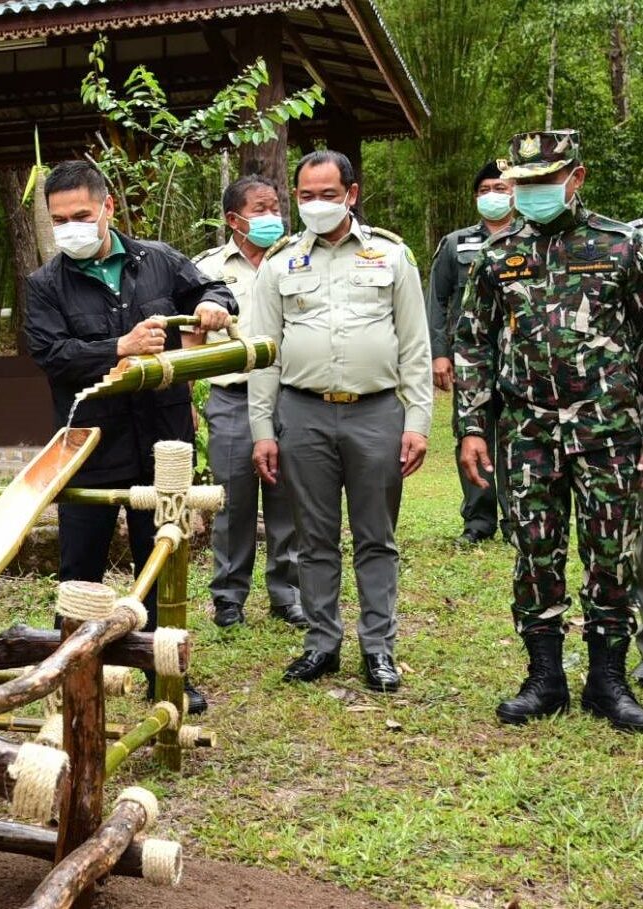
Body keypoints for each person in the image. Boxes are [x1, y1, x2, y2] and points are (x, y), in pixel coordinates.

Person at [24, 160, 237, 712]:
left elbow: (211, 287)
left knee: (161, 558)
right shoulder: (45, 285)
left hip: (162, 442)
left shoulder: (159, 261)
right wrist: (120, 347)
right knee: (80, 567)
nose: (70, 226)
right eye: (59, 219)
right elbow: (51, 355)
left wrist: (215, 303)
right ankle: (70, 676)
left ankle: (165, 674)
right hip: (91, 443)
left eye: (81, 215)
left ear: (108, 208)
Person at [457, 130, 643, 732]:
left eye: (546, 181)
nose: (533, 193)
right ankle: (545, 678)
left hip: (610, 431)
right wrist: (471, 428)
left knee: (612, 555)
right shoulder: (496, 256)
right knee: (535, 552)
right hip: (528, 431)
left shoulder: (621, 248)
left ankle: (608, 680)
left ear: (577, 177)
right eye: (525, 183)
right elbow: (473, 345)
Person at [246, 150, 433, 693]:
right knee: (315, 537)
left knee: (377, 537)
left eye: (329, 194)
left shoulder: (391, 256)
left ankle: (379, 648)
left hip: (375, 412)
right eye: (306, 196)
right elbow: (265, 355)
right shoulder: (279, 264)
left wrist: (417, 421)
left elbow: (415, 347)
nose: (317, 205)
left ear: (351, 194)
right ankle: (322, 643)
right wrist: (264, 431)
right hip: (302, 414)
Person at [191, 175, 305, 630]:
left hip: (291, 397)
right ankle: (229, 597)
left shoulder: (301, 257)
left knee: (287, 499)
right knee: (233, 503)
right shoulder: (207, 268)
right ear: (233, 219)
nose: (271, 216)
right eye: (260, 208)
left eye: (275, 206)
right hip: (232, 400)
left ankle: (287, 592)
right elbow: (192, 338)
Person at [427, 161, 514, 545]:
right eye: (484, 190)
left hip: (519, 357)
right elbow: (438, 300)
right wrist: (439, 353)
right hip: (468, 358)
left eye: (500, 187)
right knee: (472, 433)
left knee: (518, 436)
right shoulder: (455, 243)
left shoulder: (532, 237)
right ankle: (478, 521)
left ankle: (517, 520)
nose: (492, 196)